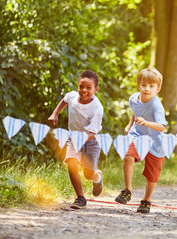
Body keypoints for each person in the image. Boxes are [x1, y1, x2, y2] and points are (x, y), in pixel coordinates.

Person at [48, 70, 104, 209]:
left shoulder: (97, 107)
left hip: (90, 142)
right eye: (81, 86)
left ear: (95, 89)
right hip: (73, 139)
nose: (84, 90)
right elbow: (64, 100)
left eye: (88, 88)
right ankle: (81, 198)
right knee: (72, 164)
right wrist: (55, 114)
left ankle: (97, 177)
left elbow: (92, 133)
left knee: (88, 174)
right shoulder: (73, 96)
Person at [115, 68, 166, 214]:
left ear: (158, 88)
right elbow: (136, 110)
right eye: (144, 85)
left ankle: (146, 200)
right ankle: (127, 189)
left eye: (151, 86)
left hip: (155, 142)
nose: (147, 89)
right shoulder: (133, 98)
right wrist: (129, 125)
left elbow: (161, 127)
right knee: (128, 157)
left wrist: (146, 122)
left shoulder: (157, 105)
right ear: (138, 85)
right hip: (137, 135)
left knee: (152, 175)